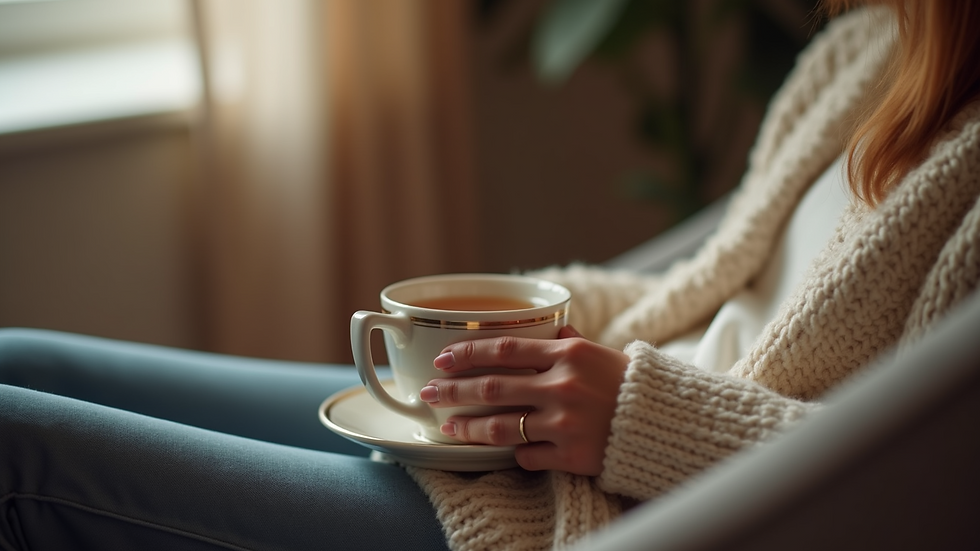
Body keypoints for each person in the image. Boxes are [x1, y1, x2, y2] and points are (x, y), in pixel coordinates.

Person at [2, 1, 978, 550]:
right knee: (24, 363)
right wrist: (507, 323)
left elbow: (934, 495)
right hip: (547, 442)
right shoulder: (871, 54)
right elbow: (701, 285)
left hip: (623, 510)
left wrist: (633, 417)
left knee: (21, 449)